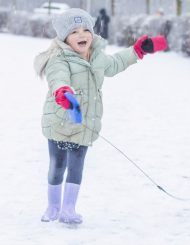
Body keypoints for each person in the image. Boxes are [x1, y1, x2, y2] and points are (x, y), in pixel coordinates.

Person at [34, 8, 167, 224]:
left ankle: (68, 209)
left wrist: (137, 51)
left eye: (86, 29)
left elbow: (115, 63)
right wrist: (64, 94)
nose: (82, 35)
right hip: (60, 121)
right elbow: (58, 79)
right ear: (64, 37)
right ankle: (53, 206)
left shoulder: (97, 56)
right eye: (74, 31)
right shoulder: (58, 58)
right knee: (57, 166)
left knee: (77, 166)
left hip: (85, 124)